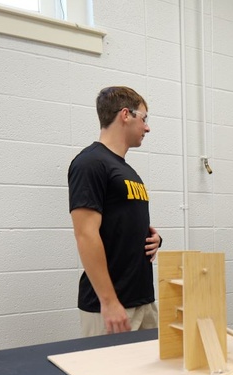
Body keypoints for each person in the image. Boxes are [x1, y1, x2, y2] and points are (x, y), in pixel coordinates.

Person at [68, 86, 161, 337]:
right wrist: (109, 302)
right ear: (125, 115)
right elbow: (86, 235)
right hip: (110, 308)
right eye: (144, 118)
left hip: (141, 300)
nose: (147, 127)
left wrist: (155, 239)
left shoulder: (126, 171)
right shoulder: (90, 163)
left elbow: (121, 225)